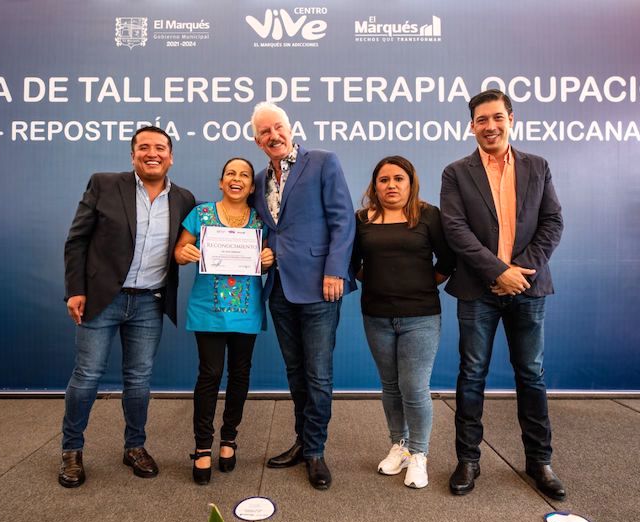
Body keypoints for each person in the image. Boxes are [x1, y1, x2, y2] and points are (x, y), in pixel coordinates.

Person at [440, 89, 566, 500]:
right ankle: (468, 459)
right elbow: (455, 230)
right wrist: (498, 272)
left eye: (497, 117)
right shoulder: (456, 172)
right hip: (478, 289)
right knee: (471, 374)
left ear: (511, 119)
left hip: (528, 288)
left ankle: (539, 461)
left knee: (531, 374)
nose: (490, 126)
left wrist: (519, 273)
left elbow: (552, 223)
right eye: (481, 120)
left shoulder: (538, 166)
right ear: (471, 125)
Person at [59, 126, 195, 488]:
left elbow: (189, 245)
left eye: (161, 148)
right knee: (87, 376)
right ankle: (71, 451)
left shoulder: (184, 199)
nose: (153, 153)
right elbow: (77, 240)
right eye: (144, 147)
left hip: (150, 302)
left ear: (171, 156)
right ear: (133, 155)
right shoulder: (104, 184)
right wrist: (76, 289)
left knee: (138, 380)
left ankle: (134, 446)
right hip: (103, 299)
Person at [250, 101, 356, 490]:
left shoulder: (324, 161)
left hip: (319, 286)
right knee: (295, 372)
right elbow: (266, 230)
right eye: (264, 132)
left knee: (318, 372)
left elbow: (343, 220)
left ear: (291, 128)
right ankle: (302, 439)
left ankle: (315, 451)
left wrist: (335, 270)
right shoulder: (259, 179)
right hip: (278, 287)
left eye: (277, 127)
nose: (273, 135)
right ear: (257, 141)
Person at [351, 156, 455, 489]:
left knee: (414, 387)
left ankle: (420, 455)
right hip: (377, 316)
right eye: (384, 180)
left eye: (399, 179)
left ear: (410, 183)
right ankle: (400, 445)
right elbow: (352, 264)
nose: (391, 185)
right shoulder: (361, 220)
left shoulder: (427, 215)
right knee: (391, 386)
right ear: (374, 185)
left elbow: (448, 261)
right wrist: (381, 283)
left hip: (420, 316)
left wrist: (421, 284)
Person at [174, 158, 274, 485]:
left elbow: (273, 256)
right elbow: (179, 250)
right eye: (230, 173)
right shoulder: (201, 214)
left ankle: (229, 439)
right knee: (210, 374)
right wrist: (184, 253)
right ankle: (202, 445)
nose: (236, 178)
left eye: (244, 175)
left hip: (246, 310)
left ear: (252, 186)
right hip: (209, 310)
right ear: (221, 182)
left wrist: (269, 258)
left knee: (240, 373)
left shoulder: (262, 220)